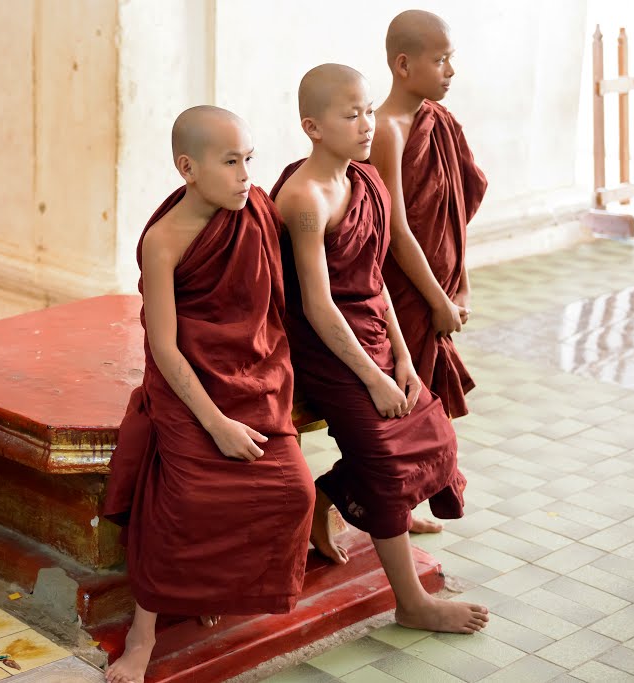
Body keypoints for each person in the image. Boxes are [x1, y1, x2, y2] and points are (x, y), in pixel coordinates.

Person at [272, 64, 487, 634]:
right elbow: (318, 307)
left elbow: (375, 278)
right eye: (351, 114)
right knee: (388, 464)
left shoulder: (365, 181)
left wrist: (405, 359)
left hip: (373, 338)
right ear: (312, 127)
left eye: (369, 110)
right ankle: (411, 602)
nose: (367, 124)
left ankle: (329, 496)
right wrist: (373, 377)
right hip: (326, 351)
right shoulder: (305, 199)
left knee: (435, 433)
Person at [103, 106, 315, 683]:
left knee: (295, 490)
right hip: (188, 385)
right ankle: (143, 634)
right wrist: (216, 423)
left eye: (250, 159)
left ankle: (215, 585)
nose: (246, 174)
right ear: (187, 168)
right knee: (188, 500)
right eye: (230, 162)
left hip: (254, 375)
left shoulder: (259, 214)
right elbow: (166, 350)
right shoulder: (164, 240)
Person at [372, 9, 488, 419]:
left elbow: (454, 212)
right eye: (440, 60)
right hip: (407, 293)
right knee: (410, 413)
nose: (451, 71)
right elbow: (396, 229)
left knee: (432, 415)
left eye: (450, 58)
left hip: (440, 290)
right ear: (403, 64)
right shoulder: (387, 129)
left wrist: (461, 287)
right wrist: (438, 300)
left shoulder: (439, 120)